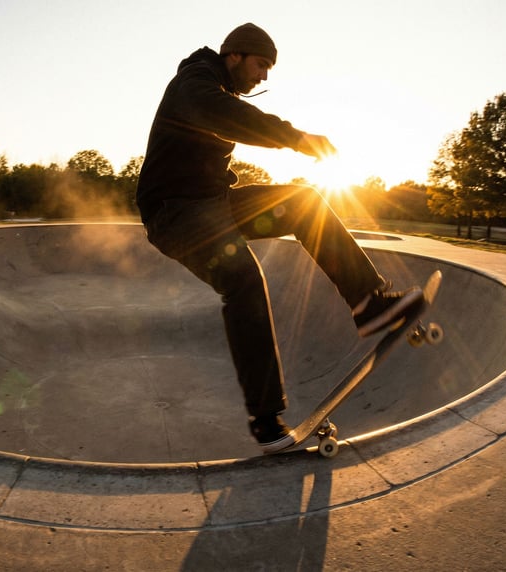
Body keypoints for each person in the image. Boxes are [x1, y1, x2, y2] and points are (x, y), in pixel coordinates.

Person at [135, 23, 423, 453]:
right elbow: (229, 117)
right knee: (243, 281)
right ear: (234, 55)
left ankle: (368, 302)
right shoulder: (195, 81)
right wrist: (297, 139)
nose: (264, 77)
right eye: (261, 65)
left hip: (212, 202)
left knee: (304, 201)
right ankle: (266, 420)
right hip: (174, 214)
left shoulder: (220, 88)